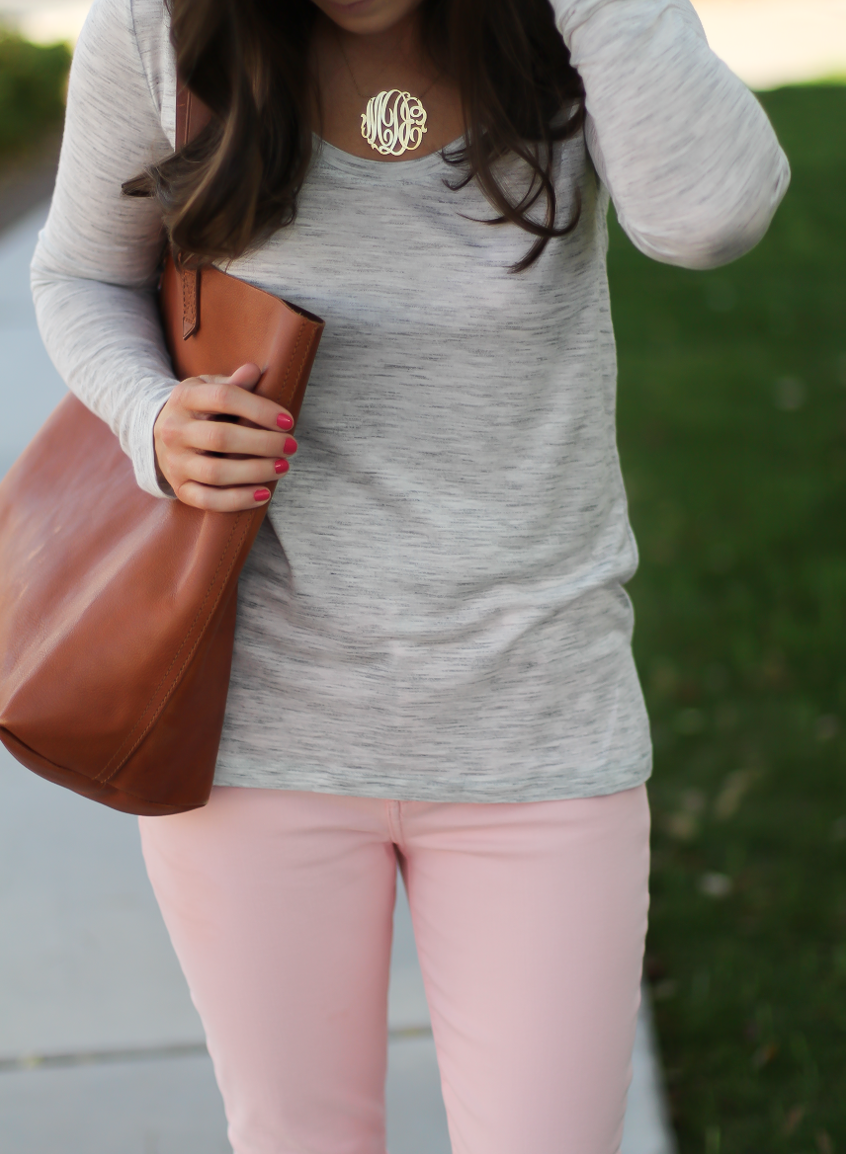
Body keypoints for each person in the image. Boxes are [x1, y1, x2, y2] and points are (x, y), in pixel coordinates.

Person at [30, 0, 789, 1149]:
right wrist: (153, 416)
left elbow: (712, 217)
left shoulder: (563, 27)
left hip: (536, 722)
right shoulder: (157, 28)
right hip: (252, 732)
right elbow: (79, 272)